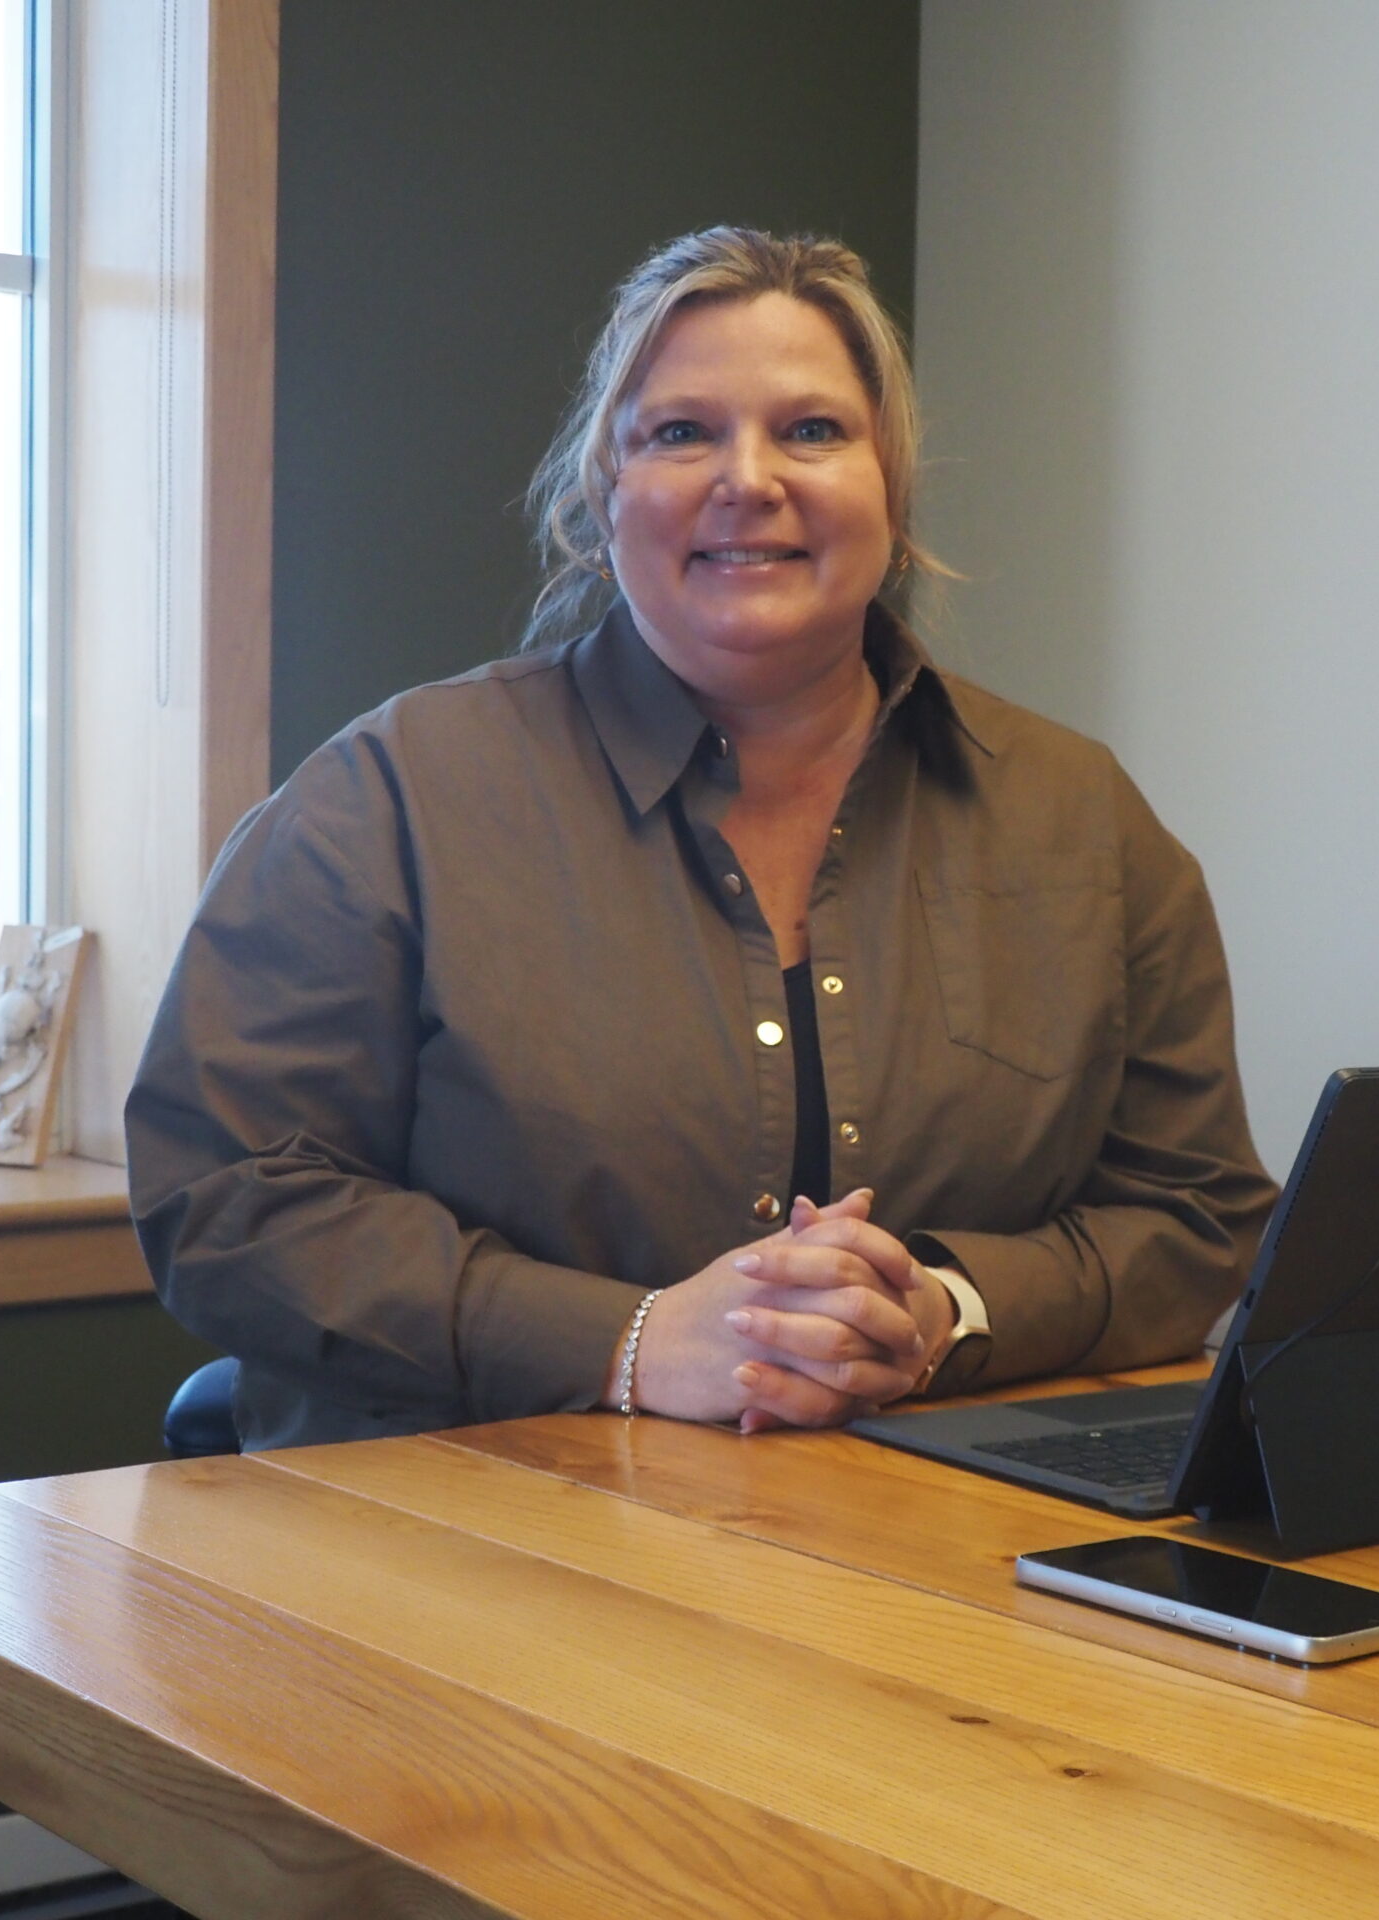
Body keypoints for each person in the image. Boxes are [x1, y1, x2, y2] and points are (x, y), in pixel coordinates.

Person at [126, 227, 1278, 1450]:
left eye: (813, 430)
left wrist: (947, 1310)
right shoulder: (391, 798)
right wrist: (627, 1342)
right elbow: (230, 1200)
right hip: (470, 1535)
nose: (750, 479)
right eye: (681, 433)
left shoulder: (1084, 820)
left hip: (930, 1546)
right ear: (603, 492)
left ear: (891, 484)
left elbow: (1196, 1212)